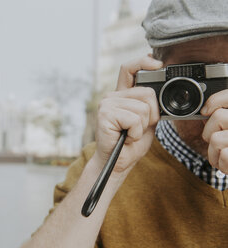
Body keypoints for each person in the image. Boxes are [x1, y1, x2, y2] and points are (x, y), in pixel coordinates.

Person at [22, 0, 228, 247]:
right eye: (199, 76)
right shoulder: (102, 164)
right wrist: (108, 170)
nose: (219, 101)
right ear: (156, 72)